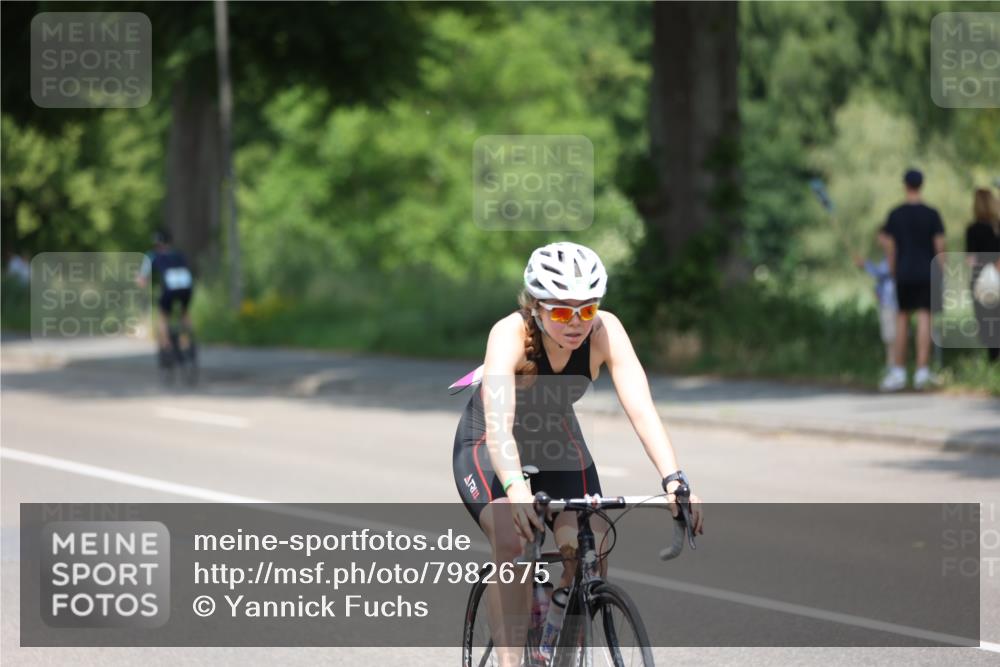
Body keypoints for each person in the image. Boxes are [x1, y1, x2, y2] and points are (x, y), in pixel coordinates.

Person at [451, 241, 704, 666]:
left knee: (593, 545)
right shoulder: (509, 334)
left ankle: (556, 633)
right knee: (513, 540)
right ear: (536, 306)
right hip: (487, 442)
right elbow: (498, 430)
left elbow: (641, 408)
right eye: (561, 311)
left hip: (558, 441)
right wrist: (515, 489)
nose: (576, 323)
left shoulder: (606, 332)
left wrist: (674, 479)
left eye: (586, 310)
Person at [878, 169, 946, 391]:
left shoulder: (896, 214)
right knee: (925, 318)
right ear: (921, 185)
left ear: (905, 185)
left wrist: (893, 269)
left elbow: (890, 247)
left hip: (904, 272)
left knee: (902, 318)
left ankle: (898, 371)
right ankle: (921, 371)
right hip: (927, 272)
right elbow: (940, 248)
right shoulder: (932, 214)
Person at [136, 229, 195, 367]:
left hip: (169, 289)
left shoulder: (152, 255)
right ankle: (187, 341)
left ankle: (167, 346)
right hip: (186, 287)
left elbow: (142, 280)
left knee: (163, 316)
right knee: (184, 311)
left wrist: (140, 282)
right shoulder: (179, 254)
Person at [965, 188, 1000, 361]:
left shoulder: (973, 229)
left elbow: (971, 260)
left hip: (980, 281)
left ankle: (993, 363)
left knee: (987, 325)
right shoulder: (997, 227)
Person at [854, 254, 896, 370]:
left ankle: (894, 366)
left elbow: (880, 272)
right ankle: (892, 365)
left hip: (890, 304)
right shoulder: (889, 256)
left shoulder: (892, 256)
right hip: (888, 303)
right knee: (890, 336)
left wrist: (865, 264)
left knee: (892, 336)